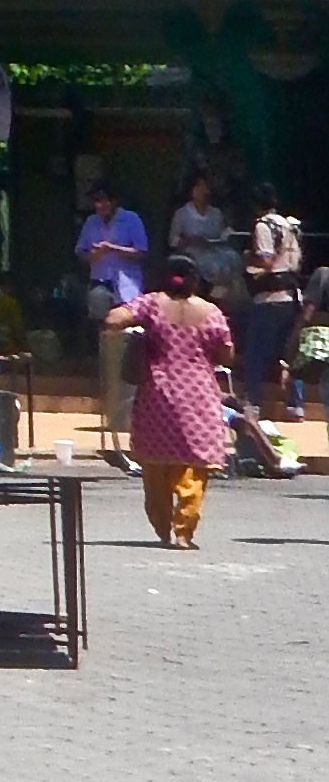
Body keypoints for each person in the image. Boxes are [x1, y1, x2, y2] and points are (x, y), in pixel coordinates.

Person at [110, 260, 235, 547]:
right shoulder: (211, 312)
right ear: (196, 281)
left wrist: (140, 328)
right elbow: (226, 355)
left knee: (155, 468)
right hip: (198, 398)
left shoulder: (152, 303)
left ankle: (162, 526)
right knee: (193, 466)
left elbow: (113, 319)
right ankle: (183, 531)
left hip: (158, 396)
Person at [75, 180, 151, 448]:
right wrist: (93, 255)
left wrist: (113, 249)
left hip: (126, 286)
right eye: (97, 201)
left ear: (114, 201)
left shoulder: (131, 219)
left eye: (104, 200)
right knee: (101, 328)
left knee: (129, 335)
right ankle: (105, 377)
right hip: (100, 283)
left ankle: (128, 380)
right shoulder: (91, 223)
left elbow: (141, 252)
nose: (101, 206)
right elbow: (80, 253)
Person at [240, 202, 306, 423]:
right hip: (291, 297)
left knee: (255, 353)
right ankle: (295, 404)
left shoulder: (263, 225)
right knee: (289, 354)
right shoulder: (289, 226)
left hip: (269, 298)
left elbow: (266, 259)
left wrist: (248, 257)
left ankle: (253, 403)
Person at [170, 165, 243, 305]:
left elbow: (222, 234)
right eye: (199, 186)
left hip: (215, 251)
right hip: (193, 254)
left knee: (232, 259)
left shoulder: (216, 213)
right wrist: (191, 241)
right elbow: (173, 240)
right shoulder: (182, 213)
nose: (203, 190)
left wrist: (228, 234)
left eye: (205, 186)